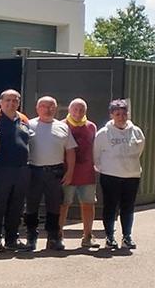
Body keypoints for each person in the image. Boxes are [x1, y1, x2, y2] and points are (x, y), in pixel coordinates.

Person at [26, 96, 76, 252]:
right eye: (44, 106)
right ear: (37, 108)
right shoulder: (28, 125)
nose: (47, 110)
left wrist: (70, 172)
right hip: (34, 171)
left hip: (55, 172)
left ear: (56, 109)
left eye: (51, 107)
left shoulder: (63, 127)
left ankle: (54, 237)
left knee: (54, 207)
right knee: (31, 207)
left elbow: (70, 151)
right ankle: (31, 237)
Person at [94, 99, 145, 250]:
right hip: (110, 176)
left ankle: (127, 236)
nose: (121, 117)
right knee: (110, 206)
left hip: (132, 175)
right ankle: (109, 237)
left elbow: (140, 150)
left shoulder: (136, 131)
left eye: (124, 114)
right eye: (118, 114)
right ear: (112, 115)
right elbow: (96, 155)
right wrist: (105, 168)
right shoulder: (103, 134)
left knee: (128, 207)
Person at [0, 90, 32, 252]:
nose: (11, 103)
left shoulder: (24, 120)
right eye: (8, 100)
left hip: (21, 169)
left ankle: (12, 239)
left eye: (15, 100)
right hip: (1, 169)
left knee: (17, 206)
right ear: (1, 102)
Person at [60, 98, 99, 248]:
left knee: (88, 204)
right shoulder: (62, 126)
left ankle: (88, 236)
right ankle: (58, 235)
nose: (78, 112)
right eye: (75, 109)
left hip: (87, 173)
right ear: (69, 110)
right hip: (67, 173)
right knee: (63, 205)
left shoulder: (91, 127)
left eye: (81, 110)